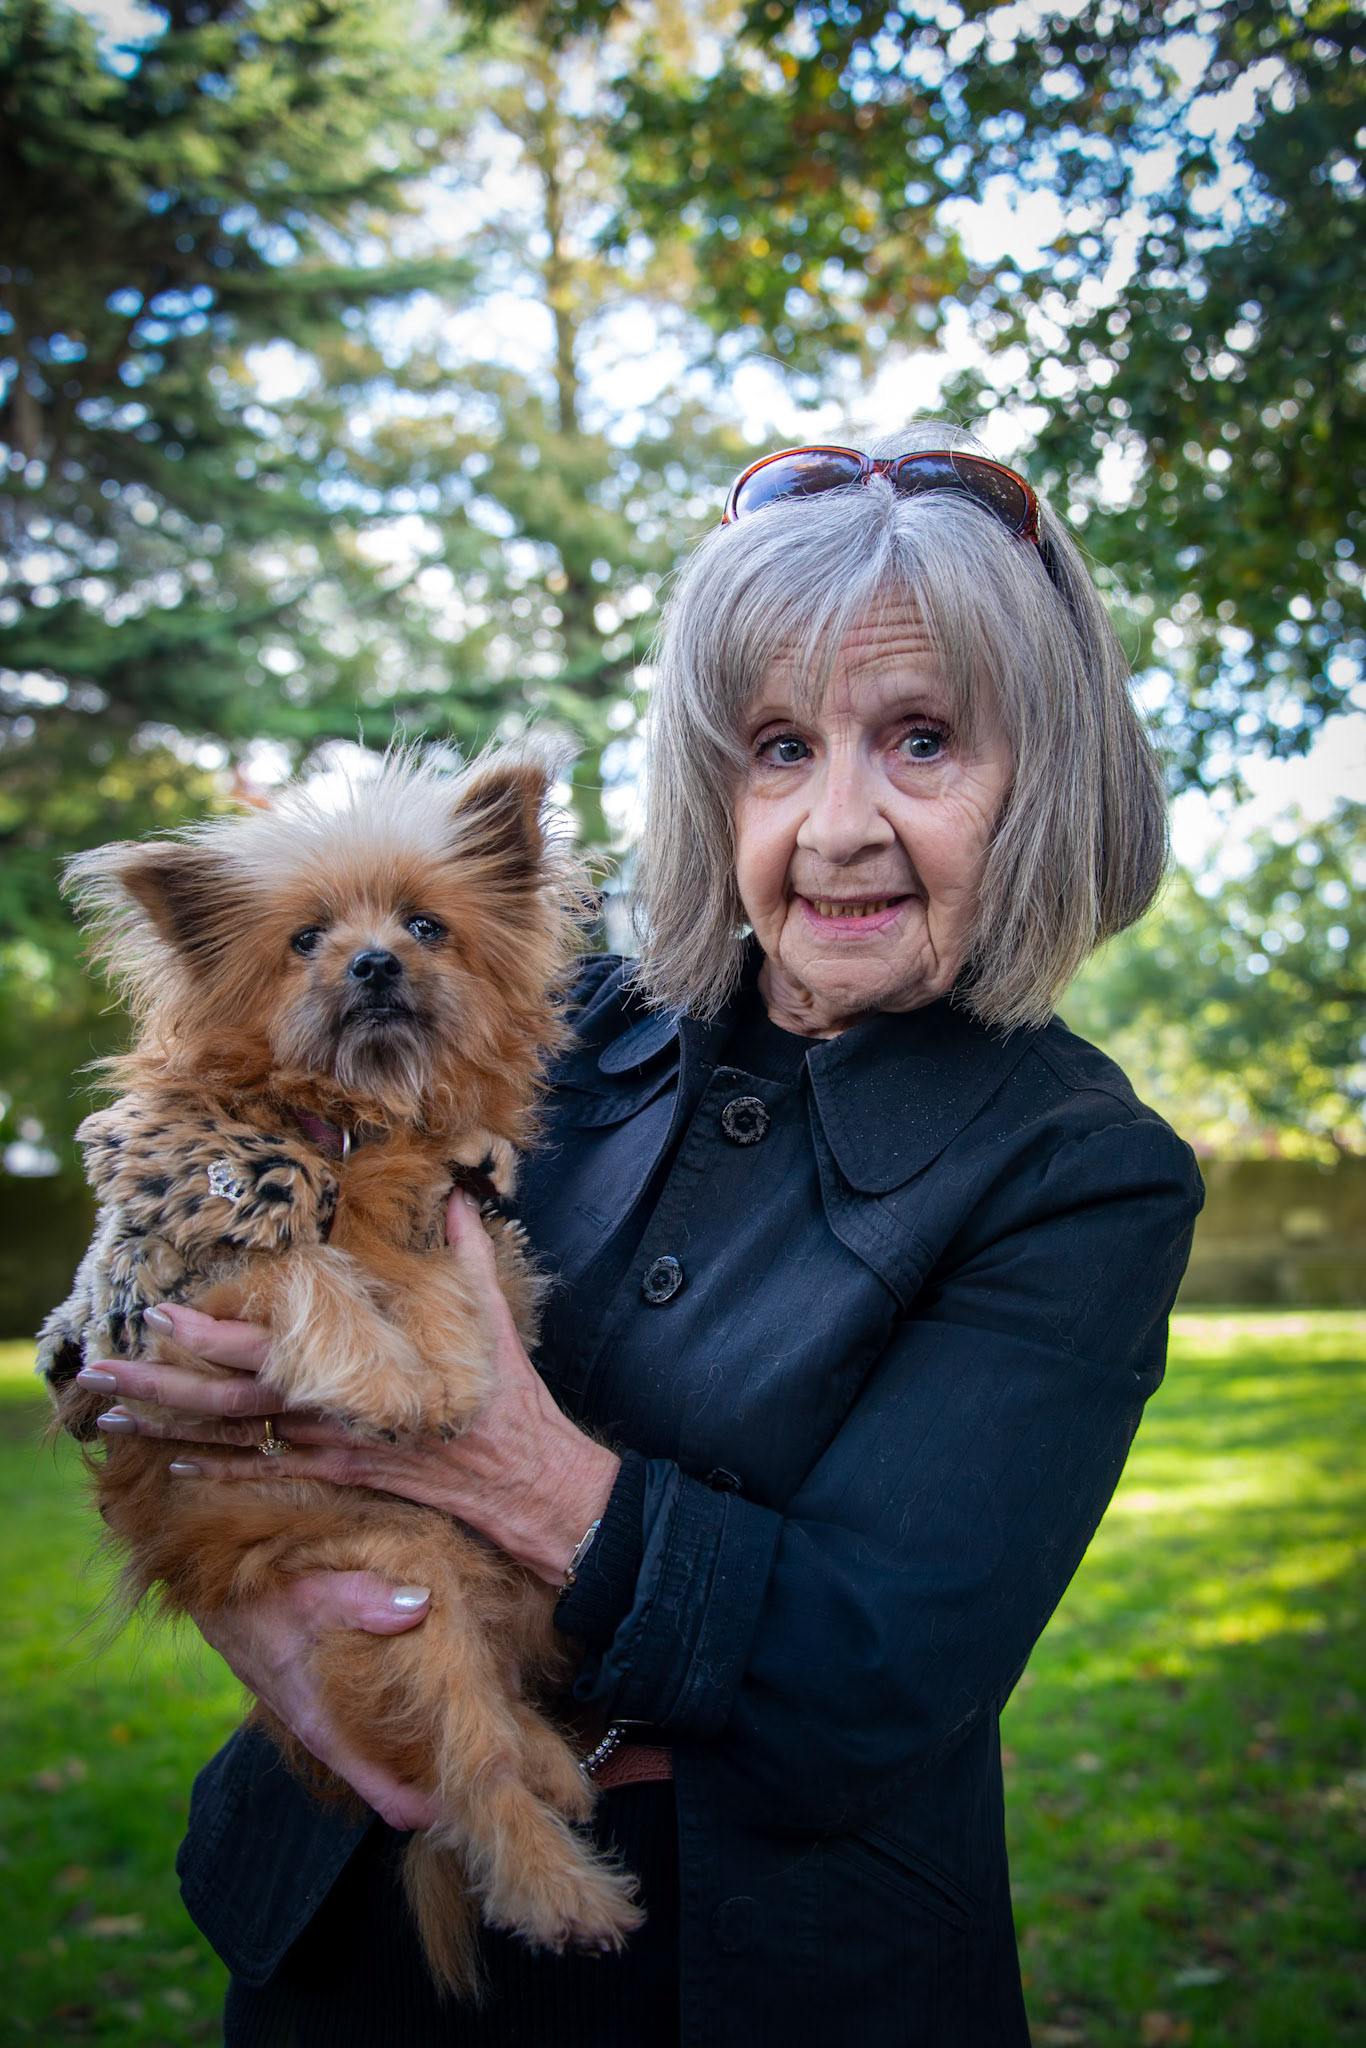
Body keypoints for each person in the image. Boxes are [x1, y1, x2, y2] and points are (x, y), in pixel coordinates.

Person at [74, 426, 1204, 2047]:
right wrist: (248, 1581)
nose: (836, 826)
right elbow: (218, 1145)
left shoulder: (1080, 1174)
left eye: (922, 740)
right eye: (775, 746)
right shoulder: (551, 1005)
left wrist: (503, 1464)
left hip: (746, 1966)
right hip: (342, 1913)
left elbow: (864, 1683)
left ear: (1047, 775)